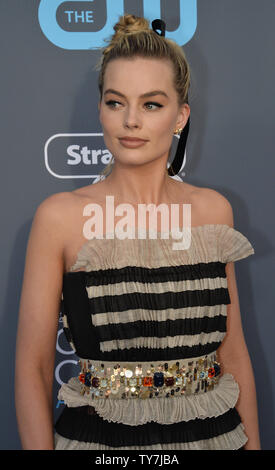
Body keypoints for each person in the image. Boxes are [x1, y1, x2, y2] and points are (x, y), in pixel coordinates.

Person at [15, 14, 261, 450]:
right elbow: (34, 366)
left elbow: (233, 351)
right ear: (101, 110)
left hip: (214, 439)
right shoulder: (59, 218)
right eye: (116, 102)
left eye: (151, 104)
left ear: (180, 116)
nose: (131, 120)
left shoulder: (213, 212)